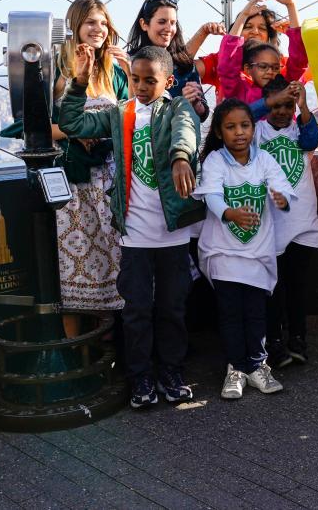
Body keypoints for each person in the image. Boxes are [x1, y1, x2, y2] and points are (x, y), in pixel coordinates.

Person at [58, 45, 206, 409]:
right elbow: (72, 124)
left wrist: (181, 158)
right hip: (134, 233)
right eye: (135, 78)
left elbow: (187, 130)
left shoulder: (176, 108)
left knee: (172, 307)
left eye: (149, 80)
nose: (140, 86)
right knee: (136, 309)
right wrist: (78, 82)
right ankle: (140, 376)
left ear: (168, 81)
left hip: (171, 233)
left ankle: (171, 370)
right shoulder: (119, 113)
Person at [195, 99, 295, 399]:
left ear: (253, 128)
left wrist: (282, 199)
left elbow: (283, 188)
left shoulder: (265, 159)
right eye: (231, 127)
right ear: (219, 131)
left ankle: (257, 366)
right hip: (224, 253)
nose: (239, 132)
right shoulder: (214, 161)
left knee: (255, 313)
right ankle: (235, 369)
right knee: (229, 313)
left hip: (257, 253)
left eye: (245, 125)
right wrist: (230, 213)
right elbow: (211, 195)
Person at [51, 0, 131, 336]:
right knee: (78, 266)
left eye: (102, 22)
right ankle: (78, 351)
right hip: (74, 185)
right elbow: (39, 128)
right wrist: (78, 132)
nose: (97, 29)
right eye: (90, 23)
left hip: (111, 179)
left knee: (116, 264)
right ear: (76, 26)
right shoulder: (58, 66)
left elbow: (132, 116)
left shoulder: (115, 67)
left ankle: (113, 348)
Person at [255, 76, 318, 367]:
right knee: (273, 288)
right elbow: (242, 111)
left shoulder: (300, 128)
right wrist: (267, 103)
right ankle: (274, 341)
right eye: (275, 106)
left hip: (303, 224)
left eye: (288, 105)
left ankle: (298, 338)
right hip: (271, 227)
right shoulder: (255, 131)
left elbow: (312, 140)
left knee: (297, 285)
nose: (282, 112)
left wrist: (304, 105)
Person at [196, 0, 308, 106]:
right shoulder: (223, 67)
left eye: (262, 28)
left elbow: (299, 62)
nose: (255, 32)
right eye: (248, 26)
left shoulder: (280, 70)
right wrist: (243, 15)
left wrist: (291, 6)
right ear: (247, 68)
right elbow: (185, 70)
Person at [125, 0, 216, 121]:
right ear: (144, 24)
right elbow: (120, 110)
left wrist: (195, 103)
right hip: (140, 138)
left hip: (180, 139)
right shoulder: (128, 61)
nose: (169, 28)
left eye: (173, 23)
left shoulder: (184, 63)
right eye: (162, 22)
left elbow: (202, 115)